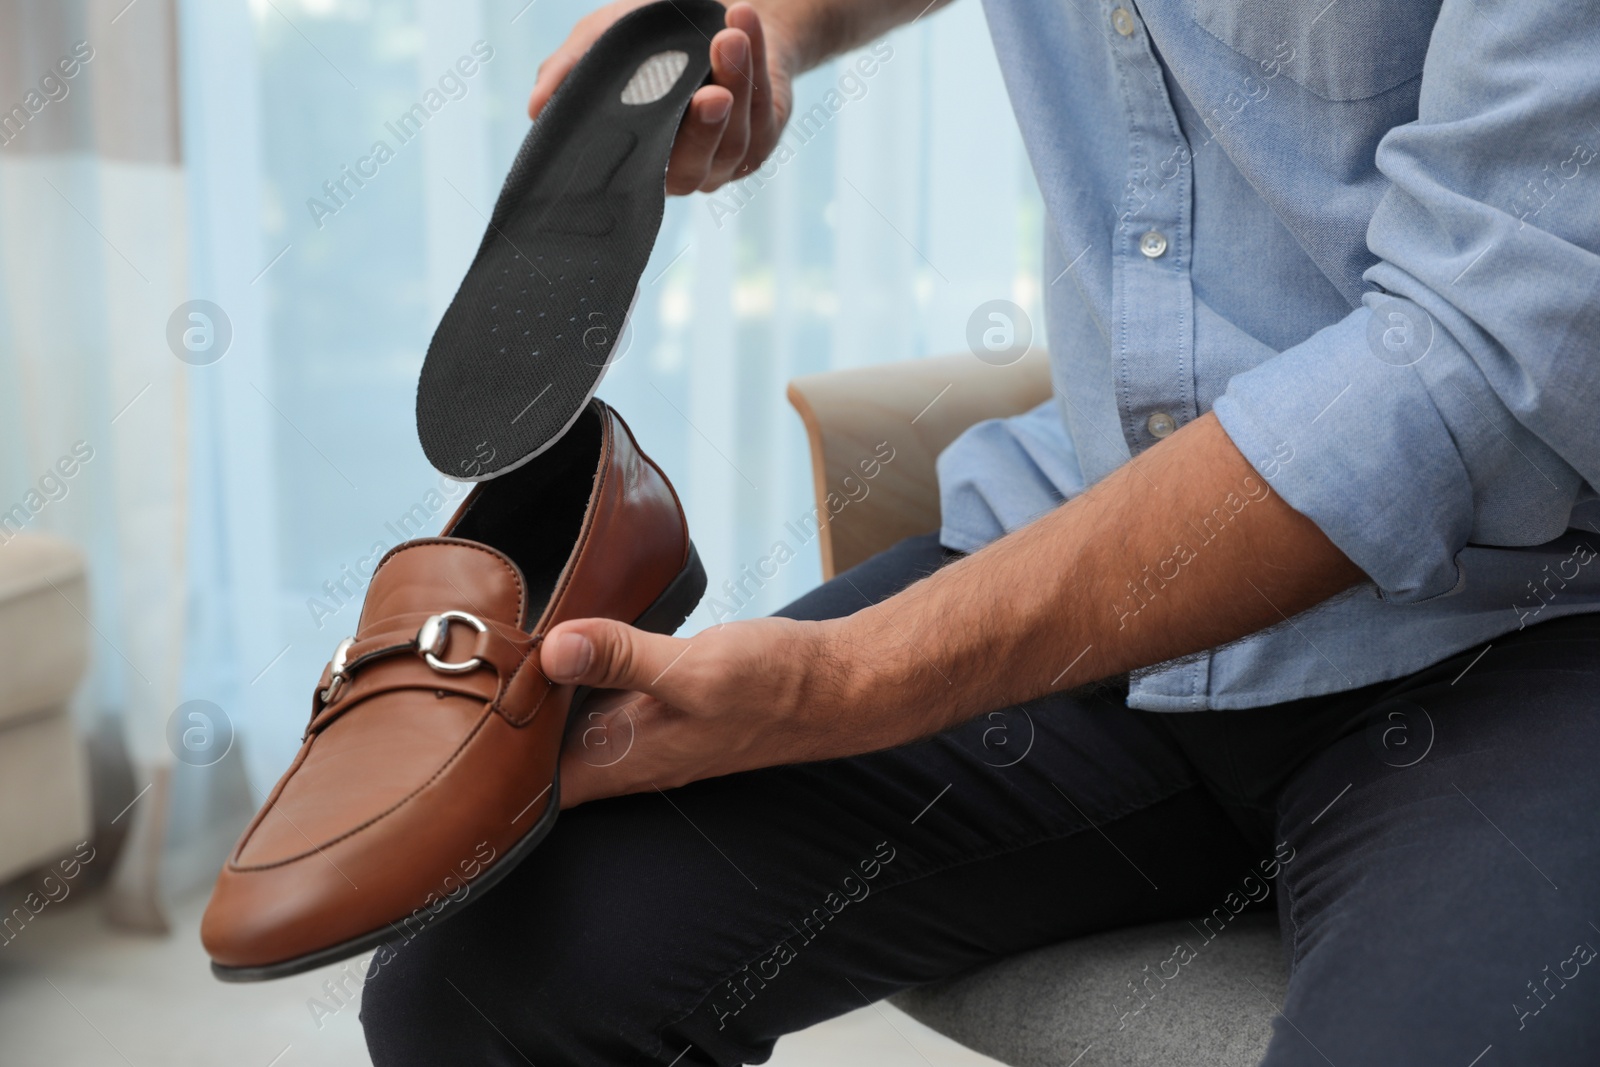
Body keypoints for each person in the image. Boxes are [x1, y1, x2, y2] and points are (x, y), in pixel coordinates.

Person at [360, 0, 1600, 1063]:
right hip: (1102, 549)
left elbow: (1481, 360)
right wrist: (777, 31)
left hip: (1524, 627)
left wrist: (856, 676)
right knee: (479, 985)